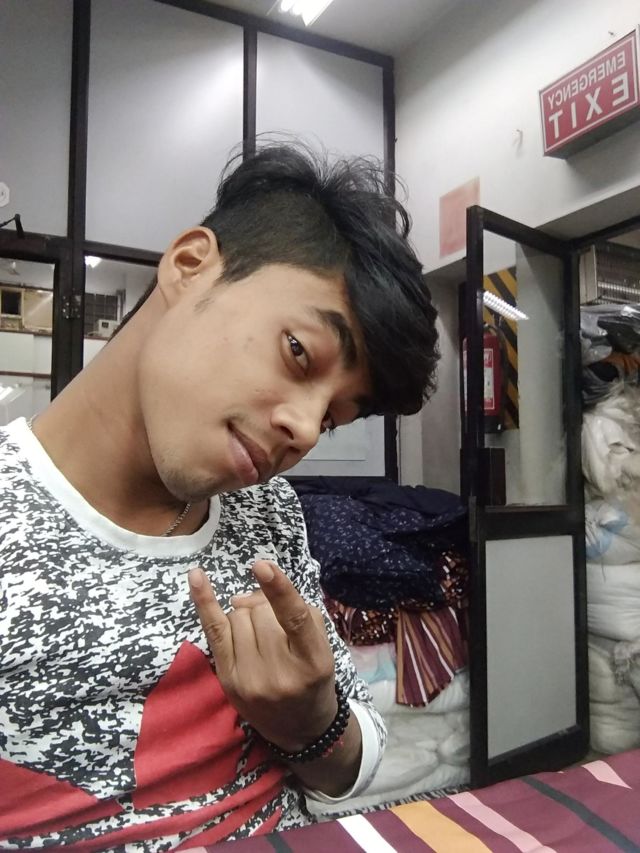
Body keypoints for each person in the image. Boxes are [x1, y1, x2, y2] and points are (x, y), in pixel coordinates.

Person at [0, 144, 439, 850]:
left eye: (332, 418)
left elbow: (354, 760)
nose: (305, 430)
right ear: (190, 265)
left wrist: (310, 724)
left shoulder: (270, 514)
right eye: (298, 353)